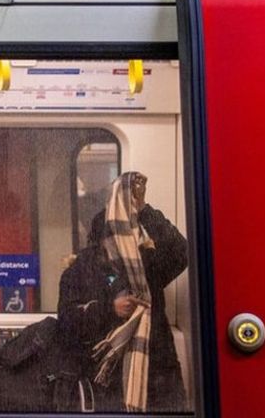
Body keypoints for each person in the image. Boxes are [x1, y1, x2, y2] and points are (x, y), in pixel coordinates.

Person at [57, 171, 188, 412]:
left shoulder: (145, 266)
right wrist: (110, 309)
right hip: (104, 379)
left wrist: (143, 208)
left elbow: (180, 253)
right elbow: (66, 322)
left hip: (156, 369)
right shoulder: (78, 271)